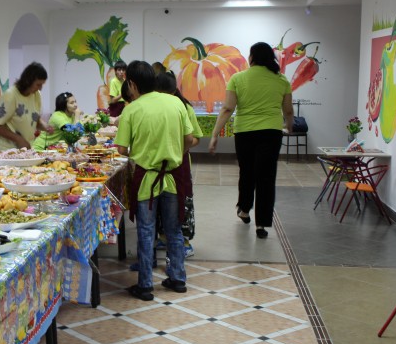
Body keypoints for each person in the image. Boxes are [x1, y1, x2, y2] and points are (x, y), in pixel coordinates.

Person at [115, 60, 194, 301]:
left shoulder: (131, 110)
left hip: (147, 179)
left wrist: (140, 152)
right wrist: (174, 155)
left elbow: (121, 149)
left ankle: (146, 285)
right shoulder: (175, 102)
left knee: (146, 231)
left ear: (132, 84)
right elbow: (189, 139)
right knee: (174, 229)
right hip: (172, 176)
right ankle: (178, 278)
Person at [208, 42, 294, 239]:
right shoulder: (281, 80)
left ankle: (245, 210)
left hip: (245, 132)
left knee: (247, 172)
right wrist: (289, 126)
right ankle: (261, 224)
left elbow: (227, 108)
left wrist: (215, 134)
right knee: (266, 176)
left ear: (252, 57)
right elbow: (288, 110)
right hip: (271, 133)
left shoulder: (238, 78)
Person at [155, 71, 203, 258]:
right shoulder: (152, 108)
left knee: (182, 202)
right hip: (158, 163)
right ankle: (163, 237)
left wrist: (179, 150)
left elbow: (195, 138)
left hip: (179, 164)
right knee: (161, 202)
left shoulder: (184, 108)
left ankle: (185, 242)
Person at [0, 62, 51, 151]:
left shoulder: (36, 95)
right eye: (38, 85)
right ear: (28, 81)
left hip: (24, 150)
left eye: (42, 84)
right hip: (5, 151)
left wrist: (46, 126)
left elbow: (36, 121)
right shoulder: (10, 95)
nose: (40, 88)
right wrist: (18, 139)